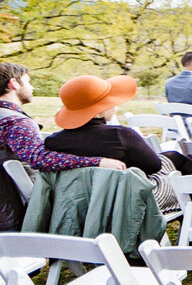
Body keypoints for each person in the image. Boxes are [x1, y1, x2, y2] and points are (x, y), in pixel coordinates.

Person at [0, 62, 124, 232]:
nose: (32, 87)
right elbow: (39, 159)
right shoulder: (15, 122)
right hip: (16, 206)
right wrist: (97, 162)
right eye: (28, 81)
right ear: (13, 83)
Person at [45, 74, 180, 213]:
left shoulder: (53, 142)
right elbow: (153, 166)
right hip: (126, 202)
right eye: (110, 102)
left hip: (80, 205)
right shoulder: (121, 135)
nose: (115, 106)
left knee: (173, 156)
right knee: (176, 166)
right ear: (99, 111)